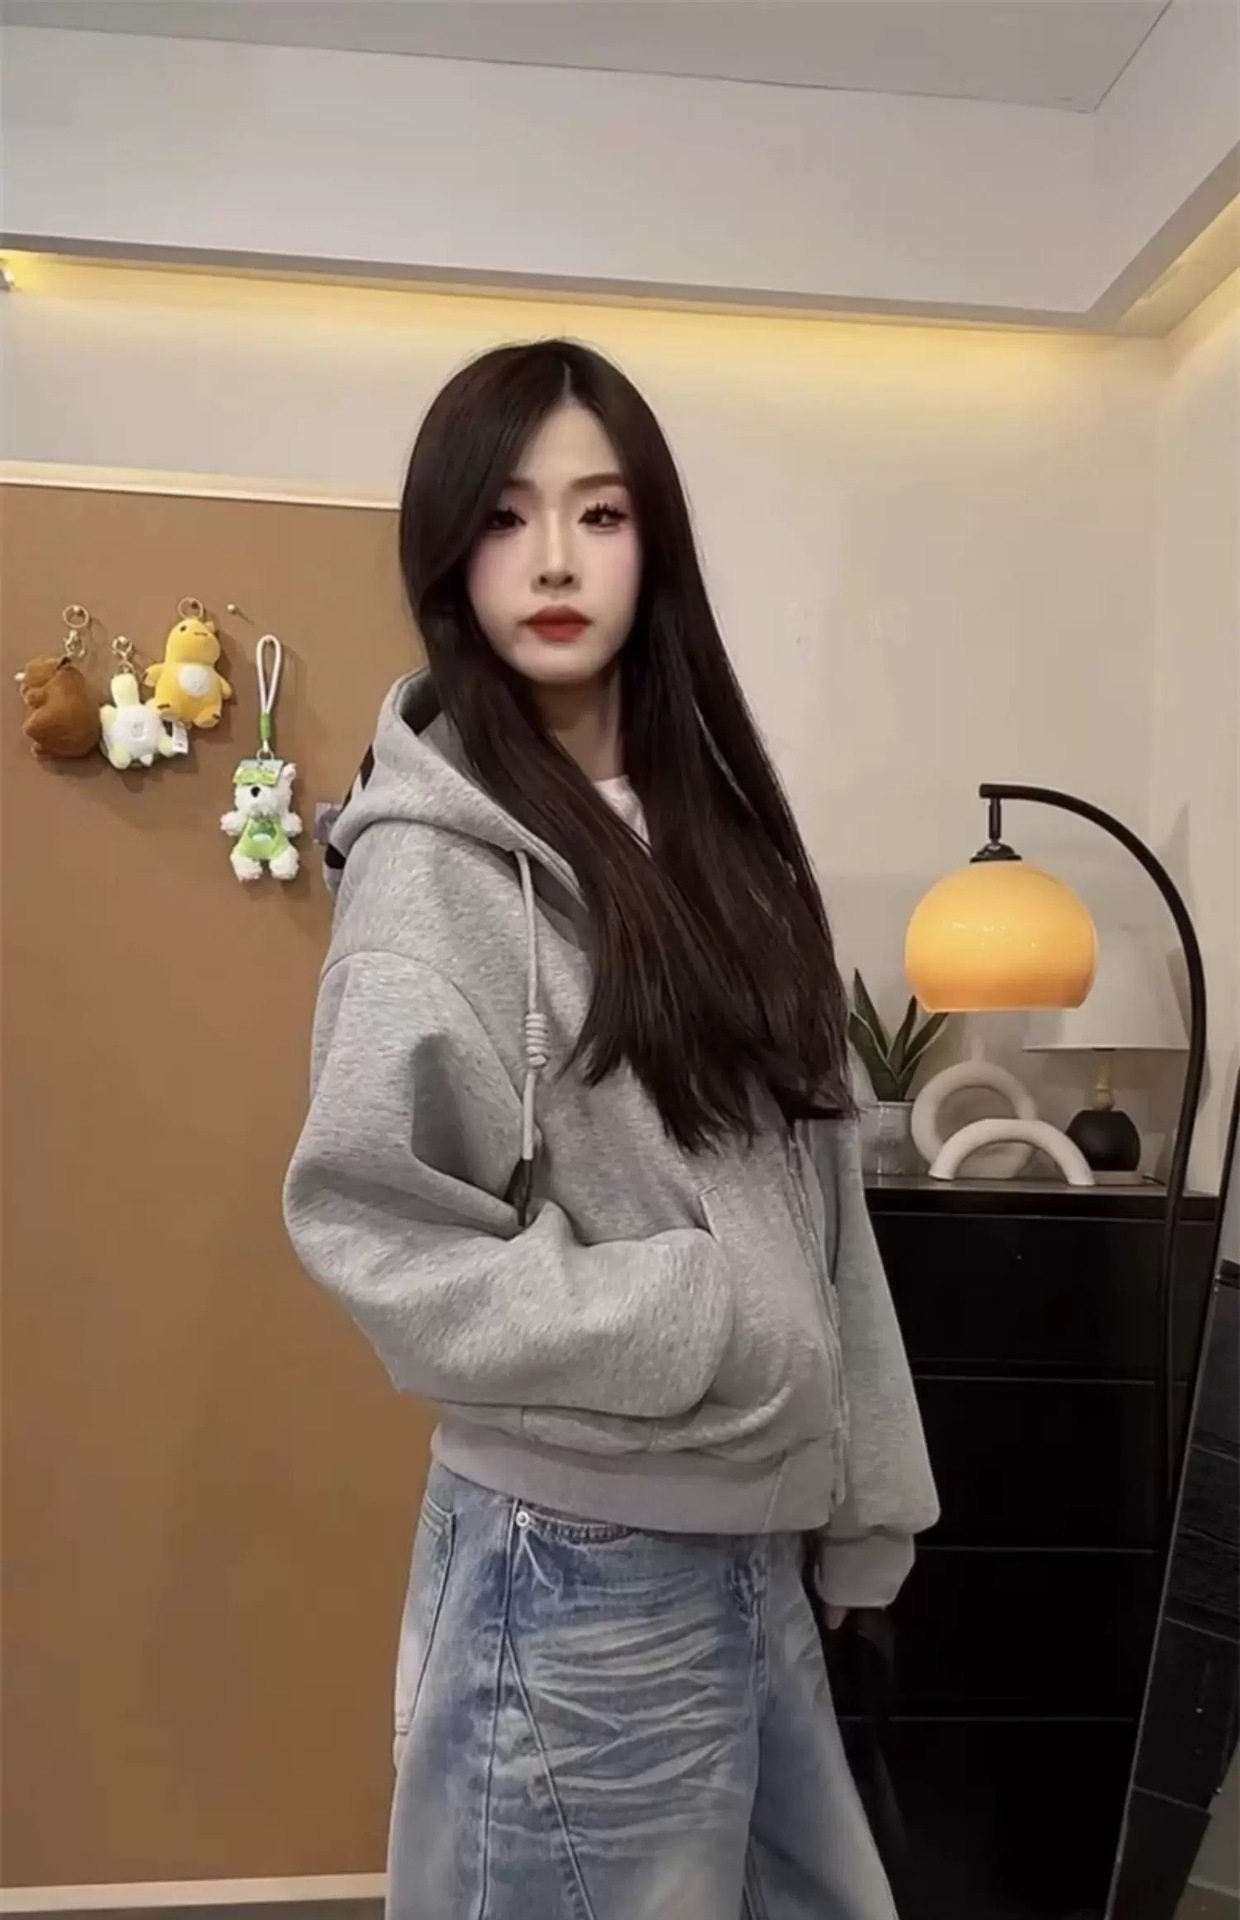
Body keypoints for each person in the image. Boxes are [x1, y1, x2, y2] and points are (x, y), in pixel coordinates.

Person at [284, 340, 938, 1920]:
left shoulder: (729, 851)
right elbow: (373, 1230)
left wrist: (866, 1509)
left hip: (757, 1555)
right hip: (571, 1564)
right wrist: (700, 1315)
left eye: (601, 512)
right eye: (507, 517)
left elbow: (823, 1208)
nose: (557, 561)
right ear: (451, 552)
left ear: (656, 542)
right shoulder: (432, 871)